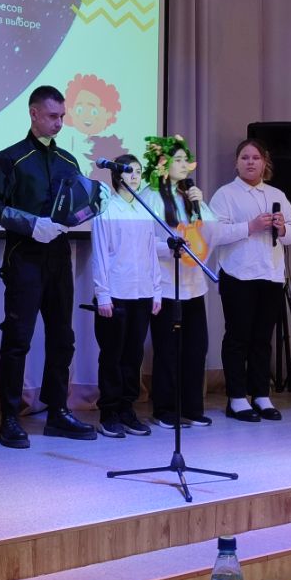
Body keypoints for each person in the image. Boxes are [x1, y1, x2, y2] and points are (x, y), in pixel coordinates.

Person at [0, 85, 102, 448]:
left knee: (63, 337)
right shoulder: (11, 158)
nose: (58, 123)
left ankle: (57, 411)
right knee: (18, 340)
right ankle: (9, 418)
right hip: (24, 259)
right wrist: (31, 223)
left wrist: (94, 205)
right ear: (33, 114)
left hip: (59, 258)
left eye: (62, 116)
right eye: (52, 116)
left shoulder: (68, 161)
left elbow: (77, 206)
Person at [140, 134, 248, 429]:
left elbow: (214, 234)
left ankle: (192, 407)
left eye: (185, 160)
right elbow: (145, 243)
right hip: (165, 285)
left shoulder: (190, 195)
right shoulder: (151, 197)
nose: (184, 165)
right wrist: (170, 248)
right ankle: (164, 409)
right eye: (177, 160)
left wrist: (201, 205)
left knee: (196, 347)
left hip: (194, 285)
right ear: (162, 164)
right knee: (167, 350)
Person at [209, 138, 291, 422]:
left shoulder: (276, 194)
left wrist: (282, 228)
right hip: (238, 275)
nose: (250, 162)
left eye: (256, 158)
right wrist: (251, 226)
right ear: (236, 163)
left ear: (264, 163)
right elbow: (214, 233)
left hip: (270, 275)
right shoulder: (225, 194)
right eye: (245, 157)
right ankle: (236, 399)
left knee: (262, 339)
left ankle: (261, 395)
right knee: (238, 338)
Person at [91, 154, 161, 437]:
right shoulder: (106, 208)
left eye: (139, 172)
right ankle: (109, 412)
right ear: (117, 175)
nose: (134, 176)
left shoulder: (144, 210)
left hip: (142, 293)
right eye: (129, 171)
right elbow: (100, 254)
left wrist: (156, 290)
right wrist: (102, 294)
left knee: (133, 355)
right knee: (113, 356)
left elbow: (151, 253)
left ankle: (127, 409)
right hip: (116, 294)